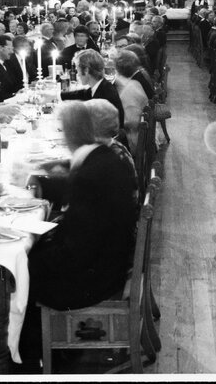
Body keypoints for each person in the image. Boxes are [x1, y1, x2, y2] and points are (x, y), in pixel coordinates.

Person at [27, 102, 138, 310]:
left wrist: (27, 261)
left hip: (96, 280)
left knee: (19, 271)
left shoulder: (89, 177)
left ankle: (30, 338)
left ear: (70, 136)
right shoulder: (104, 157)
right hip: (110, 263)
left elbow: (75, 253)